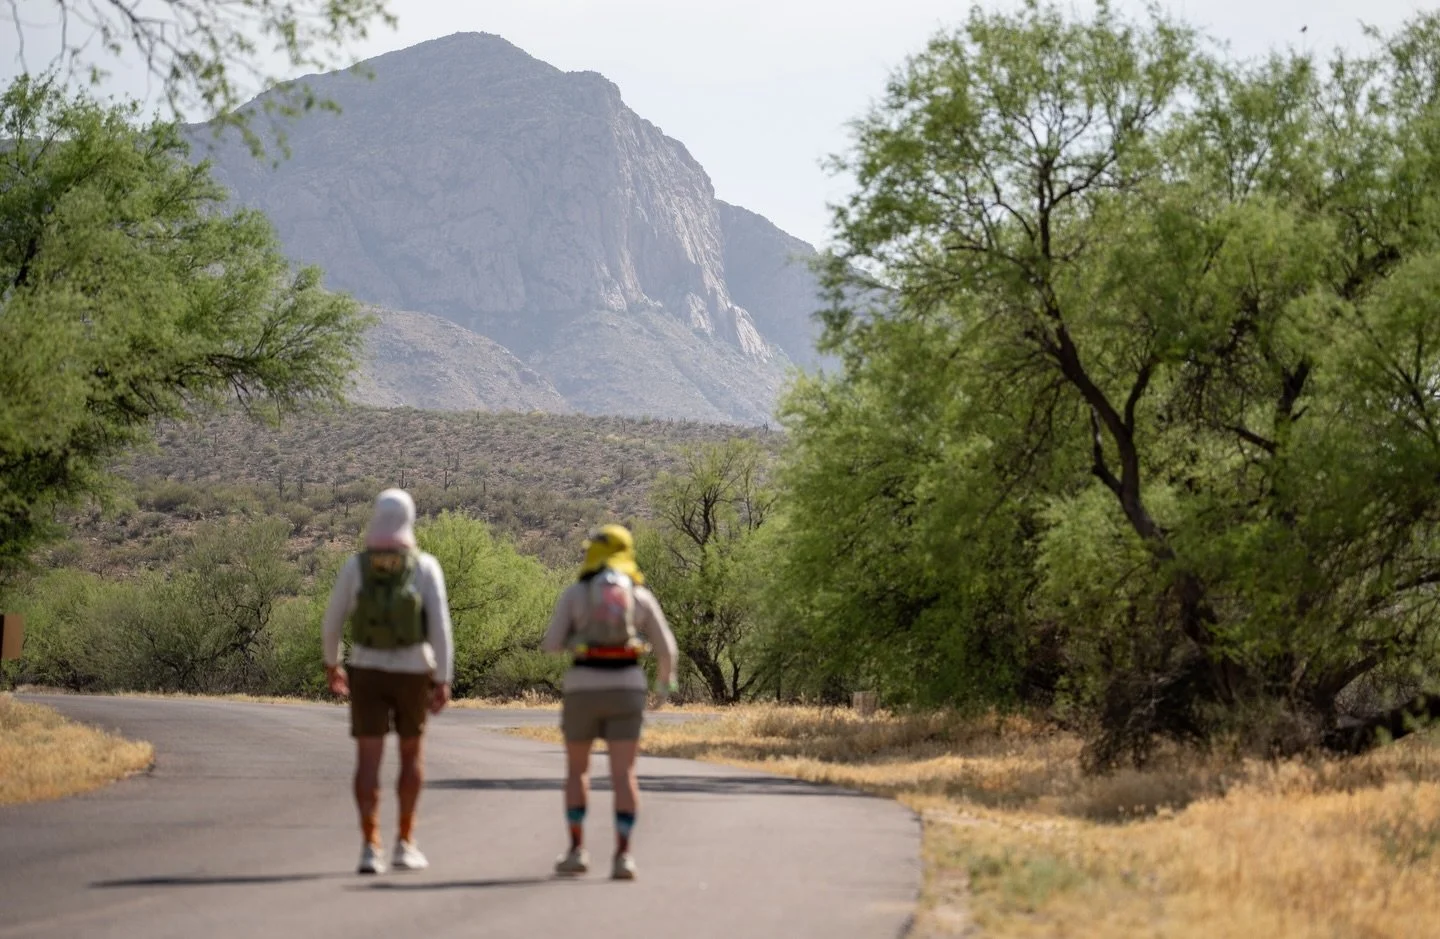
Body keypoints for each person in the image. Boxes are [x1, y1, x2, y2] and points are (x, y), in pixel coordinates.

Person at [322, 488, 454, 875]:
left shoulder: (356, 567)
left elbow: (332, 622)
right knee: (411, 756)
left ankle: (369, 846)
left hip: (365, 668)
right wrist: (443, 679)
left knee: (368, 760)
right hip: (414, 670)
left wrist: (333, 665)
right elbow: (441, 627)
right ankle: (405, 843)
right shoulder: (425, 566)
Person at [540, 524, 678, 881]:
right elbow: (668, 649)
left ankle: (576, 850)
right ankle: (623, 856)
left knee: (577, 772)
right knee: (624, 774)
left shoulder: (575, 593)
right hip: (627, 688)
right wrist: (665, 685)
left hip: (582, 687)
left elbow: (552, 644)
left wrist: (577, 641)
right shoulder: (640, 596)